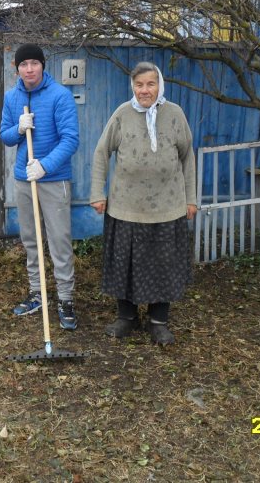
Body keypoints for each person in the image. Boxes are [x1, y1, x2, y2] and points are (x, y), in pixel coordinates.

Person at [89, 61, 197, 344]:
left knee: (163, 265)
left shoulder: (175, 115)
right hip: (126, 207)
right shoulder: (122, 115)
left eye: (150, 84)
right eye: (139, 85)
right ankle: (126, 317)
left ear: (159, 85)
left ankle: (158, 321)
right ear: (133, 87)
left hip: (167, 207)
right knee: (124, 264)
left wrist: (192, 198)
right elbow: (102, 152)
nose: (144, 90)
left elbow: (188, 157)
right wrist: (97, 193)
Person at [0, 43, 80, 330]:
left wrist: (45, 165)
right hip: (24, 180)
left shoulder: (60, 96)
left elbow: (70, 139)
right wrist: (18, 129)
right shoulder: (12, 97)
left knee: (59, 241)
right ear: (17, 68)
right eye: (24, 64)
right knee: (31, 240)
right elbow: (5, 137)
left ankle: (66, 299)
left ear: (43, 65)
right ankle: (37, 293)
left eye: (34, 63)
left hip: (53, 179)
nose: (29, 69)